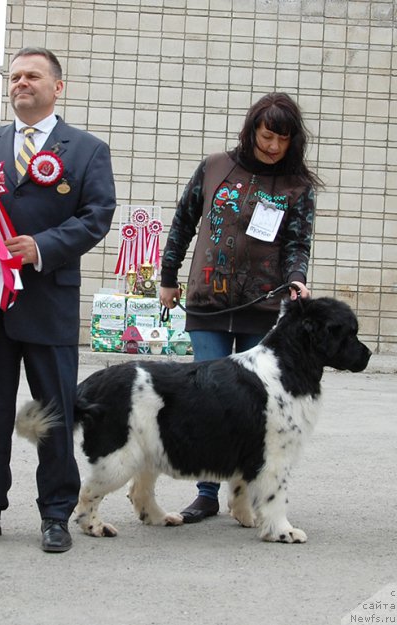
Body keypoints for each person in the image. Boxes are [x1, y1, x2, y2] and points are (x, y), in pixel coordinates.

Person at [0, 47, 116, 553]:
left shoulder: (85, 149)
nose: (21, 83)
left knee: (52, 417)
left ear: (57, 86)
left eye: (32, 76)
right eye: (14, 76)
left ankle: (56, 514)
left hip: (48, 301)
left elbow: (97, 216)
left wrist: (43, 247)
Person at [158, 92, 322, 523]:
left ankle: (245, 496)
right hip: (207, 301)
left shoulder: (297, 187)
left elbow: (296, 243)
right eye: (267, 136)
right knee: (208, 400)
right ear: (252, 131)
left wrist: (297, 278)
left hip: (264, 307)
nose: (272, 146)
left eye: (281, 140)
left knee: (253, 408)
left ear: (293, 142)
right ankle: (206, 492)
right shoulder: (215, 167)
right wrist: (168, 277)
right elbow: (184, 221)